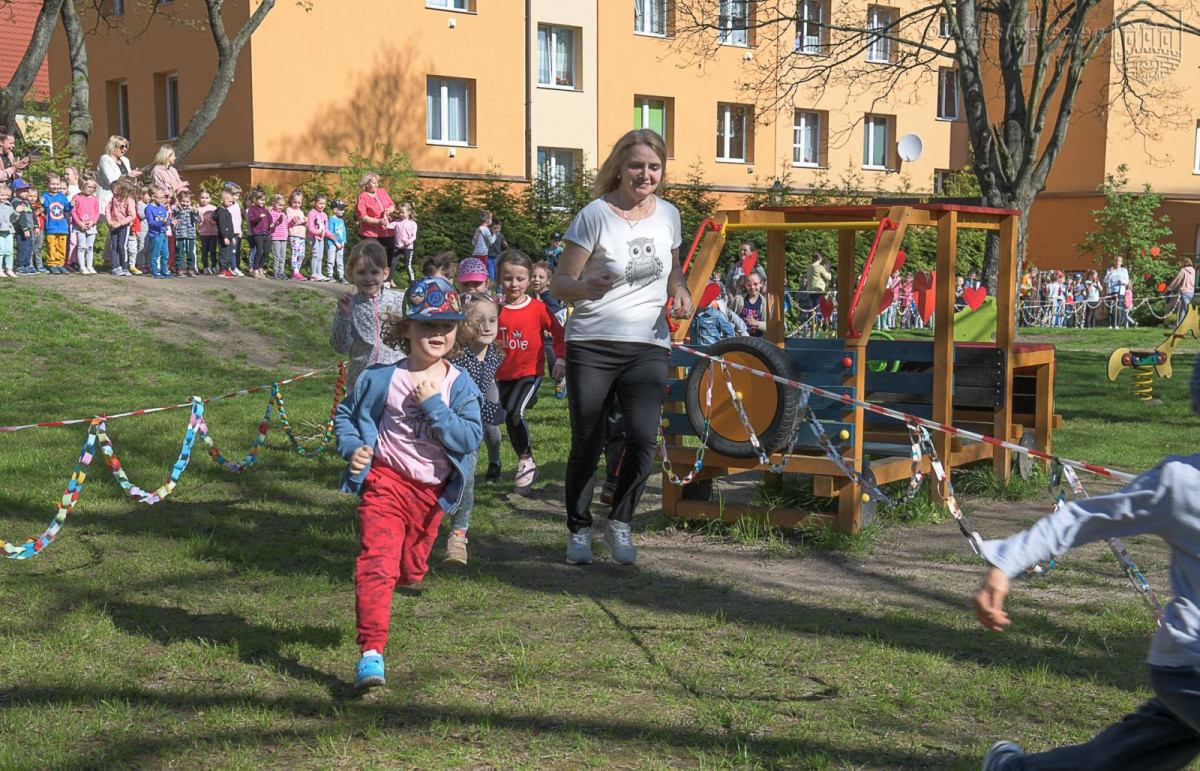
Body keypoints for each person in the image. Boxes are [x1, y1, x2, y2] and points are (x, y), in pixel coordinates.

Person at [977, 364, 1200, 770]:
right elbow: (1085, 517)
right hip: (1191, 665)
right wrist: (1005, 562)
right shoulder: (1181, 485)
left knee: (1116, 761)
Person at [550, 128, 693, 566]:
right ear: (619, 167)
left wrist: (681, 289)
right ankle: (578, 529)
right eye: (636, 165)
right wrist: (584, 288)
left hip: (648, 343)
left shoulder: (669, 216)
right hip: (592, 343)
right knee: (588, 440)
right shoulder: (594, 215)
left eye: (654, 167)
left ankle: (620, 523)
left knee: (644, 437)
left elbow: (672, 271)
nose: (645, 174)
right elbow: (559, 283)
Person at [332, 275, 482, 690]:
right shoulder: (380, 378)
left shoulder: (459, 385)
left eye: (446, 326)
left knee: (410, 569)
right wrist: (352, 448)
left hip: (431, 495)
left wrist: (434, 404)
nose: (436, 334)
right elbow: (346, 415)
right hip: (385, 483)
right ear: (405, 330)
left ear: (458, 331)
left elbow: (469, 439)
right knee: (376, 563)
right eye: (426, 325)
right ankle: (371, 653)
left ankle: (409, 568)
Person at [495, 249, 566, 496]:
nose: (514, 284)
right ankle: (527, 462)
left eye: (520, 279)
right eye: (507, 278)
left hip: (530, 372)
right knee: (509, 415)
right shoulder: (494, 309)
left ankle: (525, 460)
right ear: (498, 279)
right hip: (503, 375)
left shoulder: (538, 308)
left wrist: (561, 361)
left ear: (528, 280)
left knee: (515, 413)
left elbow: (559, 335)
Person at [445, 291, 507, 563]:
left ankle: (458, 537)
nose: (486, 326)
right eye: (479, 320)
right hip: (446, 426)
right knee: (442, 480)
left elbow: (492, 387)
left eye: (492, 320)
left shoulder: (495, 354)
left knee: (467, 480)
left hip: (474, 430)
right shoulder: (455, 355)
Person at [330, 240, 407, 390]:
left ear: (385, 273)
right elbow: (340, 346)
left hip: (395, 381)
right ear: (350, 273)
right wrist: (344, 316)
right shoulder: (350, 304)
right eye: (361, 272)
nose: (368, 278)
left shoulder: (399, 301)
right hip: (361, 382)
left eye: (374, 272)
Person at [355, 171, 397, 266]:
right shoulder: (362, 197)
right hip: (371, 233)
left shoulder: (382, 192)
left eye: (377, 182)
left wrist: (389, 210)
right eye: (374, 183)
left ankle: (388, 278)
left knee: (390, 254)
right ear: (366, 184)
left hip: (387, 231)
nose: (376, 185)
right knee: (372, 257)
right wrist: (378, 221)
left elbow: (392, 205)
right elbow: (363, 217)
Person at [95, 135, 139, 217]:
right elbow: (111, 180)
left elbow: (129, 182)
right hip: (109, 198)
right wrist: (128, 176)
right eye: (121, 146)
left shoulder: (125, 160)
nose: (124, 149)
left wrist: (133, 177)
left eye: (126, 146)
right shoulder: (105, 159)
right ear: (113, 147)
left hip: (123, 200)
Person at [105, 177, 138, 277]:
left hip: (123, 226)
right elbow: (108, 208)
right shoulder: (115, 198)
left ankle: (124, 266)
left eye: (119, 185)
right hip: (113, 225)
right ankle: (115, 266)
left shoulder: (129, 200)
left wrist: (121, 223)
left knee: (121, 246)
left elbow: (132, 215)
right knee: (114, 246)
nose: (116, 187)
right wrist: (109, 220)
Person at [40, 173, 70, 274]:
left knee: (61, 246)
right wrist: (43, 204)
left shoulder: (62, 196)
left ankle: (60, 264)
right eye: (53, 184)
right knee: (51, 246)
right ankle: (52, 264)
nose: (55, 187)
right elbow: (47, 210)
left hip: (62, 226)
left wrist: (71, 205)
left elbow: (66, 209)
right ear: (47, 184)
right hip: (51, 226)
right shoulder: (45, 196)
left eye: (57, 184)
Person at [691, 281, 737, 346]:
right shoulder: (691, 315)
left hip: (711, 352)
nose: (707, 299)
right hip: (694, 351)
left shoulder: (717, 315)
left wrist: (723, 347)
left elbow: (730, 333)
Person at [70, 178, 101, 275]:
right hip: (80, 226)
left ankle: (90, 266)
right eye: (89, 187)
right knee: (81, 247)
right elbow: (73, 211)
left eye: (93, 187)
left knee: (90, 247)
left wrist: (93, 222)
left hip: (91, 226)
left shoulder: (94, 198)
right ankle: (82, 267)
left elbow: (97, 212)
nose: (91, 189)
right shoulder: (76, 197)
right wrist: (79, 222)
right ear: (83, 186)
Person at [144, 188, 172, 279]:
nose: (162, 200)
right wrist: (161, 223)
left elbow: (165, 219)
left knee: (165, 253)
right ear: (153, 197)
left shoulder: (162, 207)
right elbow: (151, 222)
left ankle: (164, 270)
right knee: (155, 254)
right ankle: (154, 271)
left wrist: (171, 222)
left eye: (163, 197)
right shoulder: (149, 208)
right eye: (160, 198)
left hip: (164, 233)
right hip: (155, 234)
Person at [170, 189, 199, 277]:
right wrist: (179, 211)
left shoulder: (191, 210)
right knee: (180, 252)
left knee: (190, 252)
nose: (185, 204)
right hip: (180, 235)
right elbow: (174, 219)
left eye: (187, 202)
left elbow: (196, 220)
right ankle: (179, 268)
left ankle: (191, 268)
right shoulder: (176, 210)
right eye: (183, 201)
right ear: (179, 200)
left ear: (190, 202)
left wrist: (195, 212)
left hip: (190, 235)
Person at [388, 201, 418, 284]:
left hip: (408, 248)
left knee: (408, 265)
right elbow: (388, 226)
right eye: (399, 212)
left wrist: (409, 241)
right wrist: (385, 217)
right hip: (398, 247)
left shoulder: (413, 224)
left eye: (402, 212)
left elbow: (414, 236)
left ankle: (412, 281)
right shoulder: (397, 222)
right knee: (393, 264)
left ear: (408, 212)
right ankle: (388, 280)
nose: (401, 214)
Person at [738, 268, 773, 337]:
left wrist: (757, 323)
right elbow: (730, 317)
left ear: (761, 284)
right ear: (745, 285)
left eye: (755, 284)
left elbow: (770, 326)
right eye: (749, 285)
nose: (752, 287)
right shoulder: (739, 300)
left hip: (758, 340)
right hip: (741, 339)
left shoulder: (764, 303)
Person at [245, 189, 270, 280]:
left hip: (266, 233)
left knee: (266, 251)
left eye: (264, 200)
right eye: (261, 200)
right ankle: (255, 269)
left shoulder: (265, 210)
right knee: (259, 251)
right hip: (257, 233)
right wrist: (258, 218)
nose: (263, 202)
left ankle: (260, 267)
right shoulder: (252, 210)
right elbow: (251, 220)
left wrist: (272, 225)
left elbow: (269, 220)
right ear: (255, 200)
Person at [11, 179, 34, 275]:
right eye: (23, 191)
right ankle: (19, 266)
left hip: (29, 229)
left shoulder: (26, 202)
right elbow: (21, 218)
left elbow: (32, 215)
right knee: (23, 248)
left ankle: (26, 265)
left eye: (27, 190)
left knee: (29, 248)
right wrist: (24, 229)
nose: (27, 193)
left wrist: (35, 226)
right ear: (15, 191)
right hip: (22, 230)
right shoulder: (16, 202)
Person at [306, 193, 330, 282]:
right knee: (315, 255)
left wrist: (329, 234)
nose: (322, 206)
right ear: (315, 203)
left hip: (321, 238)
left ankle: (319, 273)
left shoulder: (324, 215)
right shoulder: (312, 213)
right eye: (320, 203)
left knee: (320, 256)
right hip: (314, 237)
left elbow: (326, 228)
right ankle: (313, 274)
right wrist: (317, 232)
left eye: (324, 204)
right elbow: (310, 226)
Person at [213, 188, 236, 278]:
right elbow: (222, 226)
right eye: (229, 201)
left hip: (229, 236)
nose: (231, 203)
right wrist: (225, 237)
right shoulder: (221, 212)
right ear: (222, 200)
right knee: (224, 254)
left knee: (229, 254)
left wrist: (232, 236)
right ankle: (222, 270)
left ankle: (227, 269)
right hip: (224, 237)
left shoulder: (227, 211)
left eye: (232, 201)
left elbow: (230, 226)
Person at [285, 190, 307, 281]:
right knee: (295, 253)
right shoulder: (289, 210)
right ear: (290, 201)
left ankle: (297, 270)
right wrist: (302, 221)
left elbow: (303, 223)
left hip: (302, 235)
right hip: (294, 234)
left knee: (302, 255)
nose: (297, 204)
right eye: (295, 202)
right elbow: (289, 223)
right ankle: (295, 272)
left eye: (299, 203)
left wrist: (306, 222)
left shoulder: (300, 211)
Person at [1167, 257, 1195, 324]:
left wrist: (1169, 289)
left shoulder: (1183, 270)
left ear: (1183, 263)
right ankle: (1179, 326)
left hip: (1184, 292)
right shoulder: (1193, 270)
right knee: (1183, 310)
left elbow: (1177, 280)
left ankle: (1190, 324)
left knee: (1186, 309)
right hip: (1191, 292)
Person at [267, 193, 289, 279]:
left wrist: (294, 222)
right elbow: (270, 225)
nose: (281, 207)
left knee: (282, 256)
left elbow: (287, 225)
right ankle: (275, 272)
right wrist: (277, 222)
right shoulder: (271, 213)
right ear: (273, 204)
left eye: (282, 205)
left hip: (283, 237)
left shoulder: (284, 215)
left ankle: (281, 272)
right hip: (275, 237)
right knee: (277, 256)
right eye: (279, 205)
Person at [326, 199, 348, 284]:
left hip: (340, 244)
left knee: (340, 260)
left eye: (343, 209)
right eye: (341, 209)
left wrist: (343, 242)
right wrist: (336, 242)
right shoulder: (331, 220)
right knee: (331, 260)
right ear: (335, 210)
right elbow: (331, 232)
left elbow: (343, 232)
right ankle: (330, 275)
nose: (343, 211)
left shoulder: (341, 221)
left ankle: (341, 276)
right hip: (332, 243)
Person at [196, 189, 218, 275]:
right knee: (204, 251)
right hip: (203, 233)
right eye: (202, 197)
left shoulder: (213, 208)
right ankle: (205, 267)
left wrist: (212, 220)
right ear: (198, 198)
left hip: (213, 233)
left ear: (210, 198)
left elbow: (217, 220)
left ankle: (214, 266)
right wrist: (199, 221)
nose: (204, 200)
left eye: (206, 197)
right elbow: (195, 220)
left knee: (213, 250)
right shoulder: (198, 208)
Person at [1106, 256, 1130, 329]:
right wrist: (1110, 274)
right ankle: (1110, 325)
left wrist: (1121, 281)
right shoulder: (1110, 269)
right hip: (1111, 291)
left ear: (1121, 262)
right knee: (1110, 308)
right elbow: (1105, 280)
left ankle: (1117, 325)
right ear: (1114, 262)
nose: (1117, 262)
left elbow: (1127, 282)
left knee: (1119, 308)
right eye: (1116, 261)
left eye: (1119, 261)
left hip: (1120, 291)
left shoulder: (1124, 270)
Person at [470, 210, 496, 278]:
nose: (491, 220)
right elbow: (491, 241)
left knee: (476, 270)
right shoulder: (485, 229)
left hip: (475, 253)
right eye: (490, 218)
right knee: (482, 271)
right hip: (482, 254)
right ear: (487, 220)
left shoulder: (478, 229)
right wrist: (495, 235)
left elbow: (473, 242)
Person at [0, 183, 14, 278]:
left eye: (6, 195)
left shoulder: (9, 205)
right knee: (1, 251)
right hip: (0, 231)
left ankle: (9, 269)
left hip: (9, 231)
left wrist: (17, 212)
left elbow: (13, 219)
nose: (5, 197)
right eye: (2, 195)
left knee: (9, 251)